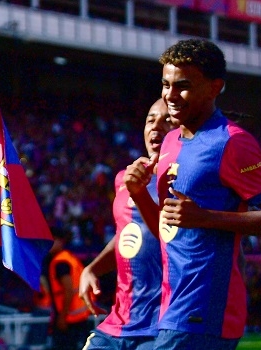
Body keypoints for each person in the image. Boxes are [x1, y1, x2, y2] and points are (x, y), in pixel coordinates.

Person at [124, 38, 261, 349]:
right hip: (170, 306)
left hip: (204, 310)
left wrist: (205, 217)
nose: (170, 95)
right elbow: (167, 230)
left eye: (183, 85)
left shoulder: (232, 142)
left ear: (215, 87)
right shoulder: (171, 141)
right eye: (166, 84)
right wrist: (138, 194)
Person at [79, 98, 175, 350]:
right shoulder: (125, 177)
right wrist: (92, 268)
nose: (156, 127)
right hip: (118, 322)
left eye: (167, 120)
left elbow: (171, 237)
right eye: (150, 120)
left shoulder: (183, 177)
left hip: (162, 327)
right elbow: (128, 233)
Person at [41, 227, 92, 350]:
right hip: (79, 315)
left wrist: (62, 317)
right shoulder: (69, 257)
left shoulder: (60, 263)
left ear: (60, 241)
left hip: (69, 318)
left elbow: (68, 290)